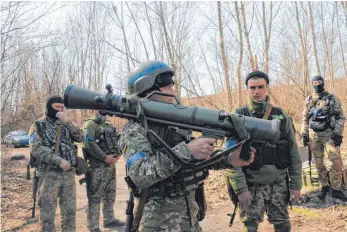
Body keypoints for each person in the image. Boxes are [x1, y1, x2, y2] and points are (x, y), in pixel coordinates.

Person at [118, 60, 255, 232]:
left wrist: (228, 159)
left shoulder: (172, 123)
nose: (174, 91)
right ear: (148, 91)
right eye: (168, 86)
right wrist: (187, 150)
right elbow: (140, 174)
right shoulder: (135, 128)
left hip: (190, 219)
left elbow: (195, 159)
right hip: (159, 224)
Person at [226, 71, 302, 232]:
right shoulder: (237, 117)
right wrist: (241, 189)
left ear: (267, 88)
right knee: (251, 227)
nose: (257, 91)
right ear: (247, 89)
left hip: (279, 184)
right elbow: (230, 159)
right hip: (252, 185)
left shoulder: (281, 115)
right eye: (252, 87)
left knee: (283, 225)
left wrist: (296, 184)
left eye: (261, 87)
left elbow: (294, 152)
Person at [29, 95, 84, 231]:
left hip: (68, 175)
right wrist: (58, 161)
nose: (60, 110)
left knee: (69, 213)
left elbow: (81, 137)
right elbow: (35, 148)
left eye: (62, 107)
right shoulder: (37, 125)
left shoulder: (65, 124)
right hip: (49, 175)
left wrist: (68, 122)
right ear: (48, 107)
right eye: (56, 107)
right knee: (47, 215)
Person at [301, 75, 346, 201]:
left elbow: (340, 117)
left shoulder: (331, 98)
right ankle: (324, 186)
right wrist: (304, 134)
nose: (317, 84)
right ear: (312, 84)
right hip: (314, 136)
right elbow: (304, 118)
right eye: (314, 82)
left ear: (323, 83)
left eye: (319, 82)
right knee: (319, 163)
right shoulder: (309, 100)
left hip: (330, 135)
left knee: (336, 162)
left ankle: (336, 189)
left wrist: (338, 133)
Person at [83, 110, 124, 232]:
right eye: (100, 110)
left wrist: (117, 156)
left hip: (111, 165)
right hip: (97, 166)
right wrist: (104, 157)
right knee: (95, 196)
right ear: (93, 110)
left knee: (110, 194)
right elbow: (89, 143)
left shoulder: (109, 125)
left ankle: (109, 219)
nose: (103, 113)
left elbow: (118, 141)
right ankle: (93, 225)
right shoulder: (90, 124)